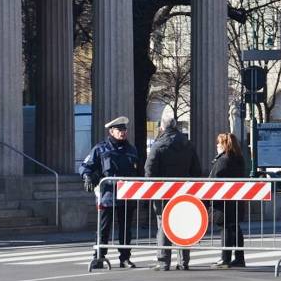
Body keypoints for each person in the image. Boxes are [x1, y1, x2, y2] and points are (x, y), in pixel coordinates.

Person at [81, 116, 140, 269]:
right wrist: (87, 176)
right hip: (107, 196)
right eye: (119, 130)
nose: (123, 133)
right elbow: (86, 166)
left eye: (124, 130)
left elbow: (137, 171)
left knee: (125, 229)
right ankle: (99, 257)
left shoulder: (131, 150)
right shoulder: (101, 148)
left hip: (126, 196)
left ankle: (125, 258)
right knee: (103, 228)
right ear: (111, 131)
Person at [145, 117, 202, 271]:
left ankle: (163, 262)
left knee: (163, 224)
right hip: (184, 191)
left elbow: (149, 169)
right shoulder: (187, 144)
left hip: (163, 192)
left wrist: (153, 187)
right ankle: (184, 261)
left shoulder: (158, 145)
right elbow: (196, 170)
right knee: (183, 225)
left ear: (162, 128)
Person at [209, 133, 247, 268]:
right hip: (236, 200)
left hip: (223, 202)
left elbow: (213, 181)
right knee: (235, 227)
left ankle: (225, 258)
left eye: (218, 143)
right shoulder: (239, 159)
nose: (217, 146)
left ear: (224, 145)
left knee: (225, 227)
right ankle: (239, 258)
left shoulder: (222, 160)